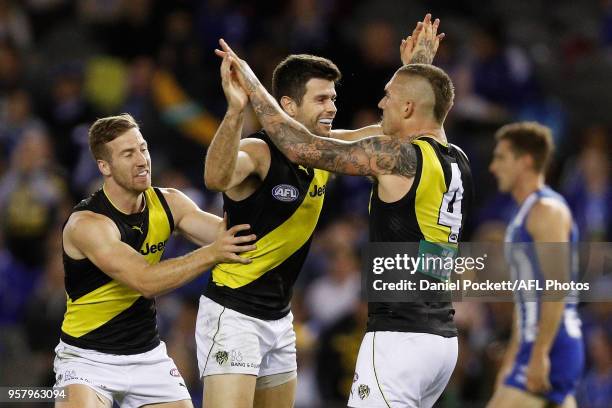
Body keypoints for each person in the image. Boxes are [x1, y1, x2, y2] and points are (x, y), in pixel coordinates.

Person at [216, 13, 470, 408]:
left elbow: (301, 147)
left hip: (398, 339)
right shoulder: (455, 159)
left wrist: (252, 86)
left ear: (407, 107)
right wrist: (417, 69)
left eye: (389, 96)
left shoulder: (395, 156)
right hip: (440, 341)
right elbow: (422, 107)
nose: (379, 102)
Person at [54, 113, 256, 408]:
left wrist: (263, 195)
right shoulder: (88, 224)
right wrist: (213, 253)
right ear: (104, 167)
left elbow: (230, 236)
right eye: (128, 153)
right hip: (86, 359)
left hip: (147, 356)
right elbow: (145, 281)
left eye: (143, 148)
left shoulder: (169, 202)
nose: (141, 160)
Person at [487, 122, 584, 408]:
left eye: (501, 157)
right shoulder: (525, 214)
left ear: (526, 161)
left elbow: (558, 286)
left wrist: (540, 353)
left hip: (554, 345)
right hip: (537, 346)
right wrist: (513, 359)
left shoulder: (547, 211)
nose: (493, 167)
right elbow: (526, 299)